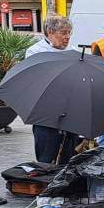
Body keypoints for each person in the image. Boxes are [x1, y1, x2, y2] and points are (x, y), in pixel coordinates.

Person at [26, 14, 78, 164]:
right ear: (50, 32)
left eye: (69, 32)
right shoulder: (35, 52)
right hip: (45, 110)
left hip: (69, 108)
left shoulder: (72, 51)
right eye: (63, 33)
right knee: (46, 152)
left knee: (69, 152)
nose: (67, 37)